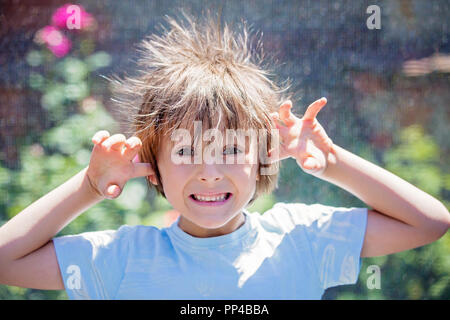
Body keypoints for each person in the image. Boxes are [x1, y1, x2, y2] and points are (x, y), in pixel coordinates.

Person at [0, 12, 448, 300]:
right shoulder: (124, 258)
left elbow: (429, 222)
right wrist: (89, 187)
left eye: (231, 149)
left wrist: (333, 162)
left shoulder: (301, 239)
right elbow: (6, 261)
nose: (209, 172)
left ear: (263, 159)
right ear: (152, 169)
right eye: (185, 151)